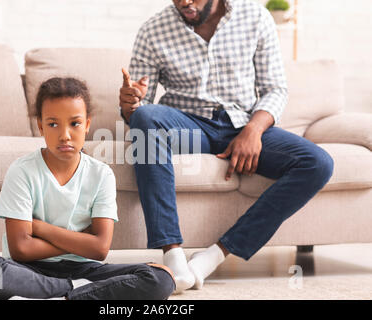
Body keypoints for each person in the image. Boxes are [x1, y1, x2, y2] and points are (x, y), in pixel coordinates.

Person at [119, 0, 334, 293]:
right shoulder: (153, 30)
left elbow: (275, 88)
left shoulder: (255, 16)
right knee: (146, 116)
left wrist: (254, 130)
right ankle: (173, 258)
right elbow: (140, 109)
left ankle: (213, 256)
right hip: (188, 124)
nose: (184, 2)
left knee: (318, 163)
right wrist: (131, 104)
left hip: (243, 122)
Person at [0, 77, 175, 300]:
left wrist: (39, 228)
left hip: (87, 271)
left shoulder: (101, 174)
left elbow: (100, 249)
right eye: (53, 124)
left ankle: (62, 295)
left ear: (88, 124)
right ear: (41, 126)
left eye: (75, 123)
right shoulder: (21, 171)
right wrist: (82, 240)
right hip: (30, 271)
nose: (65, 135)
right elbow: (21, 249)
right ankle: (75, 292)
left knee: (162, 276)